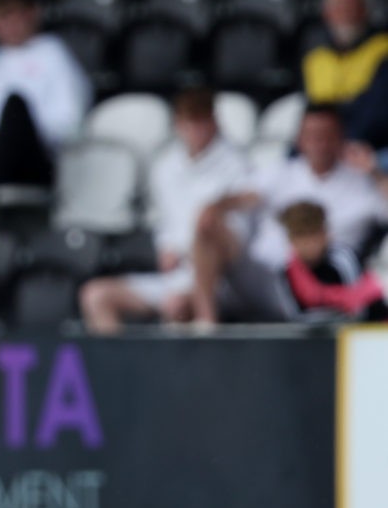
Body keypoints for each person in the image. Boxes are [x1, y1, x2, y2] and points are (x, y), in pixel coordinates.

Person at [189, 104, 388, 325]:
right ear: (299, 139)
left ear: (341, 138)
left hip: (328, 285)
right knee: (208, 228)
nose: (319, 144)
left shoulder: (361, 183)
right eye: (312, 136)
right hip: (267, 279)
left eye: (326, 136)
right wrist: (215, 207)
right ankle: (205, 325)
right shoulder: (280, 172)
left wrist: (375, 171)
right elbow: (244, 196)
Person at [79, 87, 248, 334]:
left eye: (202, 120)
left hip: (220, 280)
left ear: (214, 122)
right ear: (178, 124)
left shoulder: (237, 166)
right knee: (95, 295)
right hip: (175, 276)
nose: (196, 129)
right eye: (190, 121)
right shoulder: (165, 168)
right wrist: (167, 248)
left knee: (176, 305)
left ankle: (189, 362)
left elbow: (237, 241)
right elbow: (164, 224)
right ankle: (117, 370)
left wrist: (195, 252)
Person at [0, 0, 92, 218]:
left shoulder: (53, 52)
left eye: (11, 17)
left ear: (31, 15)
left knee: (14, 104)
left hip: (39, 154)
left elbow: (71, 117)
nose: (5, 26)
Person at [302, 0, 388, 168]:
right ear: (326, 13)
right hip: (324, 145)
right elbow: (311, 113)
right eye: (338, 5)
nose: (345, 12)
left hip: (368, 146)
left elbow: (377, 114)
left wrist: (337, 145)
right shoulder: (315, 59)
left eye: (352, 4)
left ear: (365, 10)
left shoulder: (383, 49)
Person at [277, 200, 387, 322]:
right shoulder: (286, 271)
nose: (309, 244)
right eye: (301, 236)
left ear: (325, 234)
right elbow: (292, 317)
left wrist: (322, 297)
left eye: (313, 235)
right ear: (291, 240)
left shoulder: (343, 258)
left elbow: (359, 307)